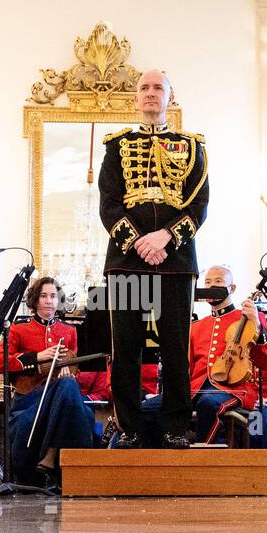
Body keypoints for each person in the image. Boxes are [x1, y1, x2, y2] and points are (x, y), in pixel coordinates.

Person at [99, 69, 209, 449]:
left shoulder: (193, 147)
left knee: (176, 346)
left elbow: (199, 205)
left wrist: (166, 237)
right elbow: (109, 205)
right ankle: (128, 427)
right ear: (135, 98)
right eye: (144, 88)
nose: (150, 94)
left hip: (176, 263)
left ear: (170, 97)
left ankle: (176, 428)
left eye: (157, 88)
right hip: (128, 262)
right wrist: (140, 243)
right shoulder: (116, 146)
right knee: (126, 346)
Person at [149, 264, 267, 445]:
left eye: (218, 281)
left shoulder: (250, 318)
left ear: (232, 288)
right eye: (207, 282)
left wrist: (257, 324)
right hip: (195, 389)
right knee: (146, 409)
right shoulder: (196, 326)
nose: (211, 286)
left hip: (233, 389)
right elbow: (187, 369)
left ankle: (203, 461)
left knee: (208, 404)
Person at [0, 276, 96, 488]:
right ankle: (67, 467)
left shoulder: (69, 331)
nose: (49, 301)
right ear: (35, 300)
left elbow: (76, 368)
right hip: (29, 399)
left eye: (53, 296)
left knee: (68, 386)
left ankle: (50, 459)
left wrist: (68, 367)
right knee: (76, 402)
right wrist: (38, 356)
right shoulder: (18, 330)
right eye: (44, 296)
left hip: (60, 397)